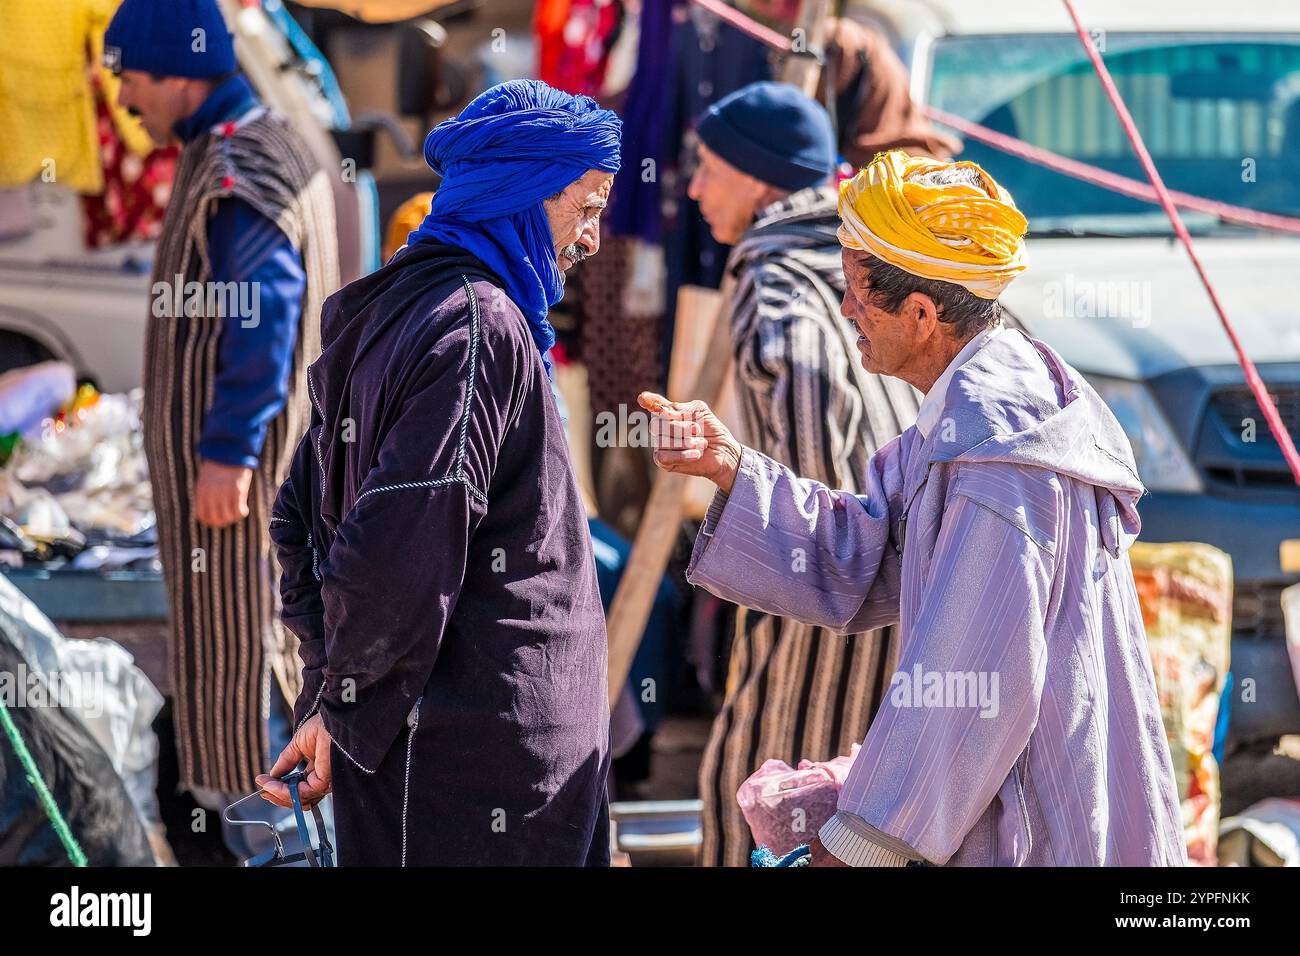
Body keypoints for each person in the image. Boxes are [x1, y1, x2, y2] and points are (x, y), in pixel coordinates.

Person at [642, 150, 1186, 866]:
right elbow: (866, 550)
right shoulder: (973, 410)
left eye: (858, 292)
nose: (845, 311)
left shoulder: (1002, 452)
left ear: (924, 314)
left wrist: (864, 842)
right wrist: (731, 467)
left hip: (1038, 823)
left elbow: (974, 682)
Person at [258, 80, 618, 866]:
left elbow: (298, 518)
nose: (592, 240)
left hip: (449, 749)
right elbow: (397, 546)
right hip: (474, 766)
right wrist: (341, 700)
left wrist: (333, 691)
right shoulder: (478, 326)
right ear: (521, 194)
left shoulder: (387, 308)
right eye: (585, 208)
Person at [104, 0, 339, 805]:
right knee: (250, 656)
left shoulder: (238, 165)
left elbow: (263, 307)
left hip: (244, 495)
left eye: (131, 79)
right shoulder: (251, 141)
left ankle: (267, 845)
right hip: (256, 487)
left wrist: (228, 452)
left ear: (176, 73)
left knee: (250, 666)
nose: (128, 102)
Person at [685, 81, 920, 866]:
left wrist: (801, 538)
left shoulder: (775, 278)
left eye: (708, 168)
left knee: (762, 788)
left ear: (758, 179)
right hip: (918, 579)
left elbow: (809, 436)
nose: (691, 187)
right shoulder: (875, 261)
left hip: (825, 584)